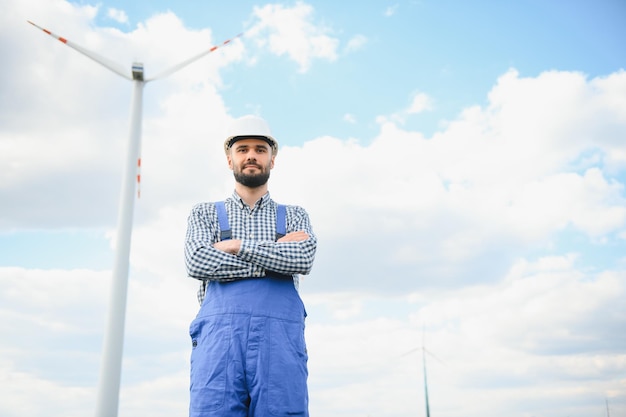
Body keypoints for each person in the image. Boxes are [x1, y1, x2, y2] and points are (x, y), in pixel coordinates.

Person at [184, 114, 317, 417]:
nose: (251, 156)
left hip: (279, 346)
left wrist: (237, 246)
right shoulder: (204, 214)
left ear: (273, 158)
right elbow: (196, 261)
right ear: (229, 159)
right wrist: (274, 256)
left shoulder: (295, 216)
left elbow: (303, 259)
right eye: (242, 149)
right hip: (219, 347)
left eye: (260, 148)